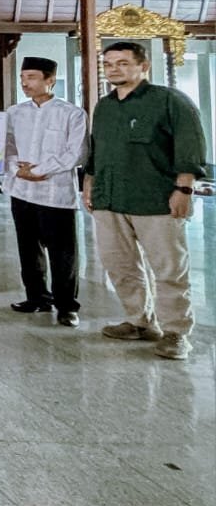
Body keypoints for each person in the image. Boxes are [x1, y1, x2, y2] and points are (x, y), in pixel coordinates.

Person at [85, 41, 206, 361]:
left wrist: (184, 189)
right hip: (110, 198)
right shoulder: (105, 106)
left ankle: (176, 332)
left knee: (169, 269)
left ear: (144, 66)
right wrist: (89, 183)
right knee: (119, 265)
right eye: (109, 64)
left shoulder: (169, 101)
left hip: (156, 199)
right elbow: (98, 150)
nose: (114, 69)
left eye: (123, 63)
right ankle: (139, 321)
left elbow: (190, 146)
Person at [4, 56, 87, 326]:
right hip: (22, 191)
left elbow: (77, 153)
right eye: (22, 78)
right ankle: (37, 296)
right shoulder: (15, 113)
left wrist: (40, 170)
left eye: (31, 77)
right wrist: (17, 169)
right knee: (28, 248)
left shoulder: (72, 113)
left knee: (63, 253)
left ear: (50, 80)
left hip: (56, 192)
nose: (25, 83)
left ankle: (67, 306)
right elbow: (7, 146)